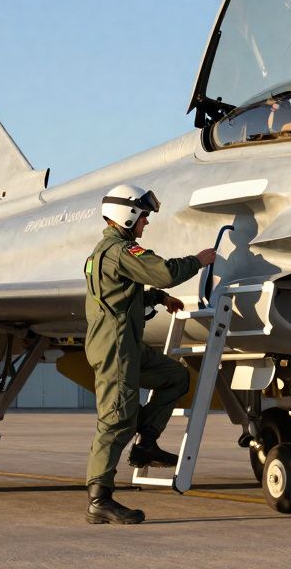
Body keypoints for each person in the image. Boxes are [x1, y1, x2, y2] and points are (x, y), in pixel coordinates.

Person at [82, 183, 216, 525]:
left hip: (127, 345)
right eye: (143, 217)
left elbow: (123, 294)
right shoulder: (120, 252)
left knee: (175, 377)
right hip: (116, 350)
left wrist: (158, 299)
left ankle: (146, 443)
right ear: (127, 216)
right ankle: (100, 499)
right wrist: (199, 261)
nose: (146, 223)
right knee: (115, 420)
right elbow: (166, 272)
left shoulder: (111, 253)